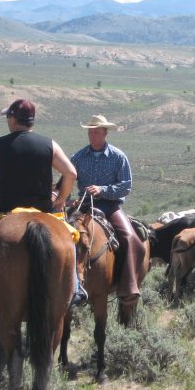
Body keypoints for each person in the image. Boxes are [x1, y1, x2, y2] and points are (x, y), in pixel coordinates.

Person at [0, 98, 88, 306]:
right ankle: (75, 288)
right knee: (70, 240)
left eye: (8, 116)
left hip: (4, 209)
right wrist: (60, 200)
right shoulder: (49, 145)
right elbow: (70, 173)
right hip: (42, 210)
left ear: (13, 119)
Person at [71, 114, 146, 304]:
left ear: (105, 133)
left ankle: (128, 286)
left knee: (131, 238)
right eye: (90, 132)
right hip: (84, 206)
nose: (93, 135)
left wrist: (102, 190)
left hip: (110, 206)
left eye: (96, 132)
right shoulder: (78, 157)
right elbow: (67, 179)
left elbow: (126, 185)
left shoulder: (118, 156)